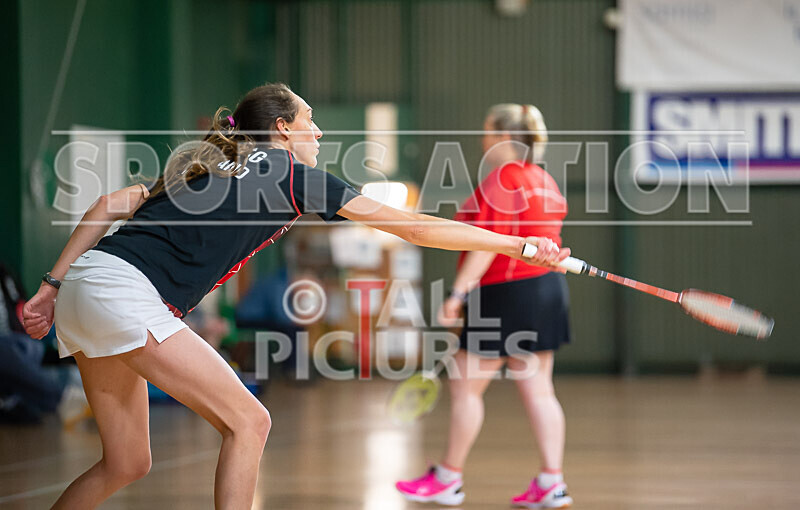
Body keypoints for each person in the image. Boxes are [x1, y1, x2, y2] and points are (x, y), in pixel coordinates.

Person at [21, 84, 570, 509]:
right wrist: (517, 244)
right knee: (249, 422)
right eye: (310, 122)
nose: (319, 134)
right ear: (283, 130)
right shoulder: (291, 175)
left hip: (88, 281)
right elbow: (418, 228)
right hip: (125, 292)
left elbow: (107, 204)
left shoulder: (199, 166)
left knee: (126, 462)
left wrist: (51, 287)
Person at [396, 104, 573, 508]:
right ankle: (552, 482)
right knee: (540, 389)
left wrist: (457, 294)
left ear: (502, 139)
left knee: (465, 385)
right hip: (547, 291)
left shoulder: (503, 179)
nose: (483, 140)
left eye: (487, 132)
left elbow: (484, 243)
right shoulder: (545, 181)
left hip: (506, 291)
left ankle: (447, 478)